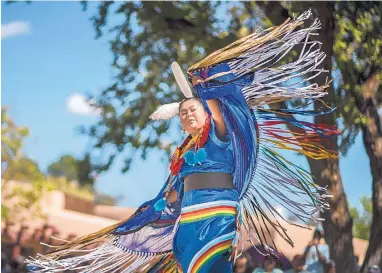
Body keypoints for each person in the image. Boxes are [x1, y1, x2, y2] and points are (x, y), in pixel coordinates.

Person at [27, 10, 339, 273]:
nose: (188, 116)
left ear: (206, 114)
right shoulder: (184, 152)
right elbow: (173, 193)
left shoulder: (220, 134)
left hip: (217, 214)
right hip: (188, 220)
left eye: (193, 110)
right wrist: (158, 209)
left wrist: (201, 84)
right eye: (183, 114)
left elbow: (214, 101)